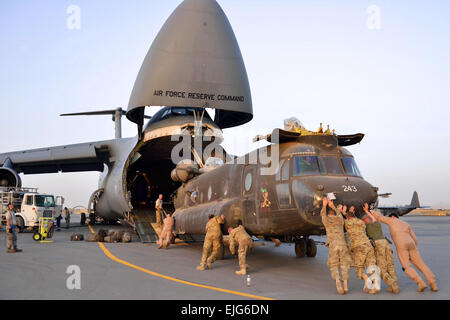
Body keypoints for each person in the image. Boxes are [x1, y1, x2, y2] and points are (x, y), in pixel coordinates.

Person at [370, 209, 438, 292]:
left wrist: (369, 210)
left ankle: (420, 282)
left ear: (393, 217)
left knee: (406, 266)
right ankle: (433, 284)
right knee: (421, 264)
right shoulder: (406, 224)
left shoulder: (392, 220)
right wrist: (413, 249)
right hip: (412, 243)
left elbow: (379, 217)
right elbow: (415, 238)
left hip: (401, 244)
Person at [338, 204, 377, 294]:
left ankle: (367, 279)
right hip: (368, 245)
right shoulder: (361, 222)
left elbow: (345, 218)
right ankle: (375, 286)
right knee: (371, 267)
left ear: (348, 218)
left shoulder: (348, 223)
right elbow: (352, 217)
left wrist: (342, 211)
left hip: (359, 247)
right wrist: (350, 212)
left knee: (359, 268)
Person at [362, 204, 399, 294]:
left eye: (364, 220)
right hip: (386, 243)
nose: (363, 222)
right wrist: (367, 211)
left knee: (381, 268)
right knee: (390, 265)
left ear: (366, 220)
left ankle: (392, 283)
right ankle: (395, 285)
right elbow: (373, 218)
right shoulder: (377, 223)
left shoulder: (366, 227)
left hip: (379, 244)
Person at [320, 198, 352, 295]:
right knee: (345, 264)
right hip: (342, 244)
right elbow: (339, 214)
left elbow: (322, 215)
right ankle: (345, 285)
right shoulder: (340, 220)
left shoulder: (327, 220)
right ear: (334, 214)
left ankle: (338, 281)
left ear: (329, 215)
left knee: (333, 265)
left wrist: (324, 205)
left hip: (333, 245)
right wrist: (332, 206)